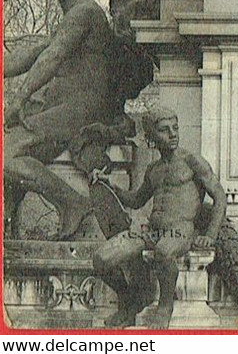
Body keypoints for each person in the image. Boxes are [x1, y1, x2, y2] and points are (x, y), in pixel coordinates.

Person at [4, 0, 119, 239]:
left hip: (83, 108)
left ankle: (72, 204)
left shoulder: (84, 12)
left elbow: (51, 57)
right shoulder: (72, 16)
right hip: (67, 107)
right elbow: (30, 55)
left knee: (2, 156)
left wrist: (18, 99)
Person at [92, 106, 227, 329]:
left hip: (181, 229)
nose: (173, 134)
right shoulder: (153, 169)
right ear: (151, 136)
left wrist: (210, 235)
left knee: (163, 253)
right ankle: (130, 301)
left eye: (175, 128)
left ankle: (165, 307)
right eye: (164, 130)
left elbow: (219, 196)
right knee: (101, 259)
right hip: (151, 230)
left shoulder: (192, 161)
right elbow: (136, 200)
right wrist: (110, 184)